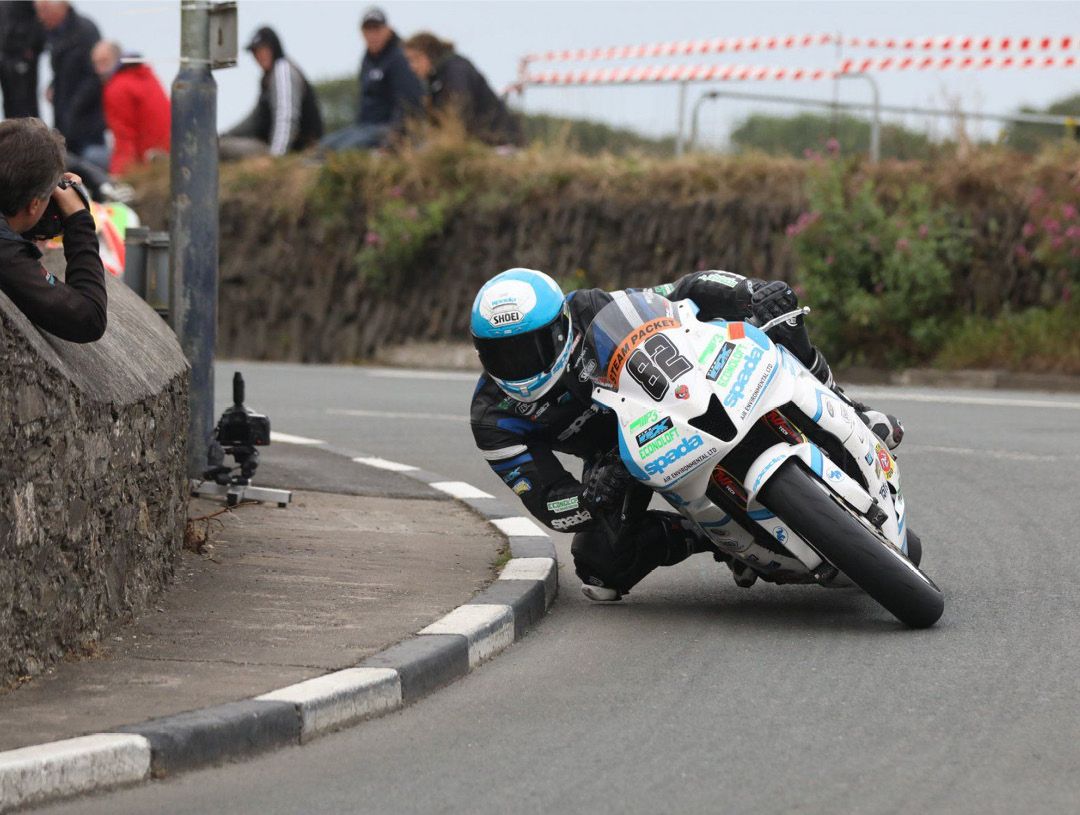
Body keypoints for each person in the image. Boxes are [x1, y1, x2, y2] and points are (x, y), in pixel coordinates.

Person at [470, 268, 904, 601]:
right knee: (600, 568)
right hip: (618, 457)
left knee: (774, 317)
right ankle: (707, 535)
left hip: (675, 390)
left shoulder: (590, 308)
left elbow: (678, 291)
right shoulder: (493, 419)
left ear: (561, 325)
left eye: (531, 347)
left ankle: (852, 410)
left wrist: (749, 292)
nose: (519, 365)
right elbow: (548, 503)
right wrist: (589, 498)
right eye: (501, 355)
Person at [0, 117, 106, 343]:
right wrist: (78, 218)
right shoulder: (5, 253)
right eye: (49, 197)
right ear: (34, 204)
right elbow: (90, 317)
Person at [319, 6, 422, 151]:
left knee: (345, 149)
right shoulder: (367, 59)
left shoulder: (400, 58)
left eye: (377, 29)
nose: (373, 35)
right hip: (364, 126)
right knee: (323, 145)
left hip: (387, 128)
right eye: (368, 30)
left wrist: (395, 136)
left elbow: (408, 102)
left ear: (388, 29)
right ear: (362, 33)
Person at [219, 26, 322, 160]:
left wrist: (276, 158)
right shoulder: (268, 78)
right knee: (218, 142)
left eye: (263, 50)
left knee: (219, 147)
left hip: (292, 150)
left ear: (274, 47)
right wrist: (225, 134)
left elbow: (286, 118)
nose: (259, 56)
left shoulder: (282, 71)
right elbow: (255, 119)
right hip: (270, 145)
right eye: (255, 52)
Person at [402, 32, 522, 146]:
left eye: (415, 59)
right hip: (480, 142)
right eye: (409, 61)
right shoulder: (436, 78)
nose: (412, 66)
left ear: (429, 54)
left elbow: (460, 111)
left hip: (497, 142)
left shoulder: (455, 70)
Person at [33, 1, 107, 170]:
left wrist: (74, 105)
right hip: (63, 114)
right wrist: (53, 86)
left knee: (90, 166)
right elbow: (61, 70)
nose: (40, 17)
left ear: (60, 8)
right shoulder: (53, 32)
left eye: (44, 11)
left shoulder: (85, 30)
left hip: (87, 119)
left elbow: (94, 75)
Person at [90, 40, 169, 175]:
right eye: (96, 63)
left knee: (88, 156)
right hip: (165, 155)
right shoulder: (146, 76)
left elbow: (124, 139)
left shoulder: (117, 88)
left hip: (144, 161)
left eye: (104, 62)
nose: (99, 70)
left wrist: (119, 179)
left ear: (117, 59)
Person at [0, 1, 45, 118]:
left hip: (24, 60)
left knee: (25, 107)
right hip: (6, 57)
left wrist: (32, 49)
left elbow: (41, 20)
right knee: (10, 104)